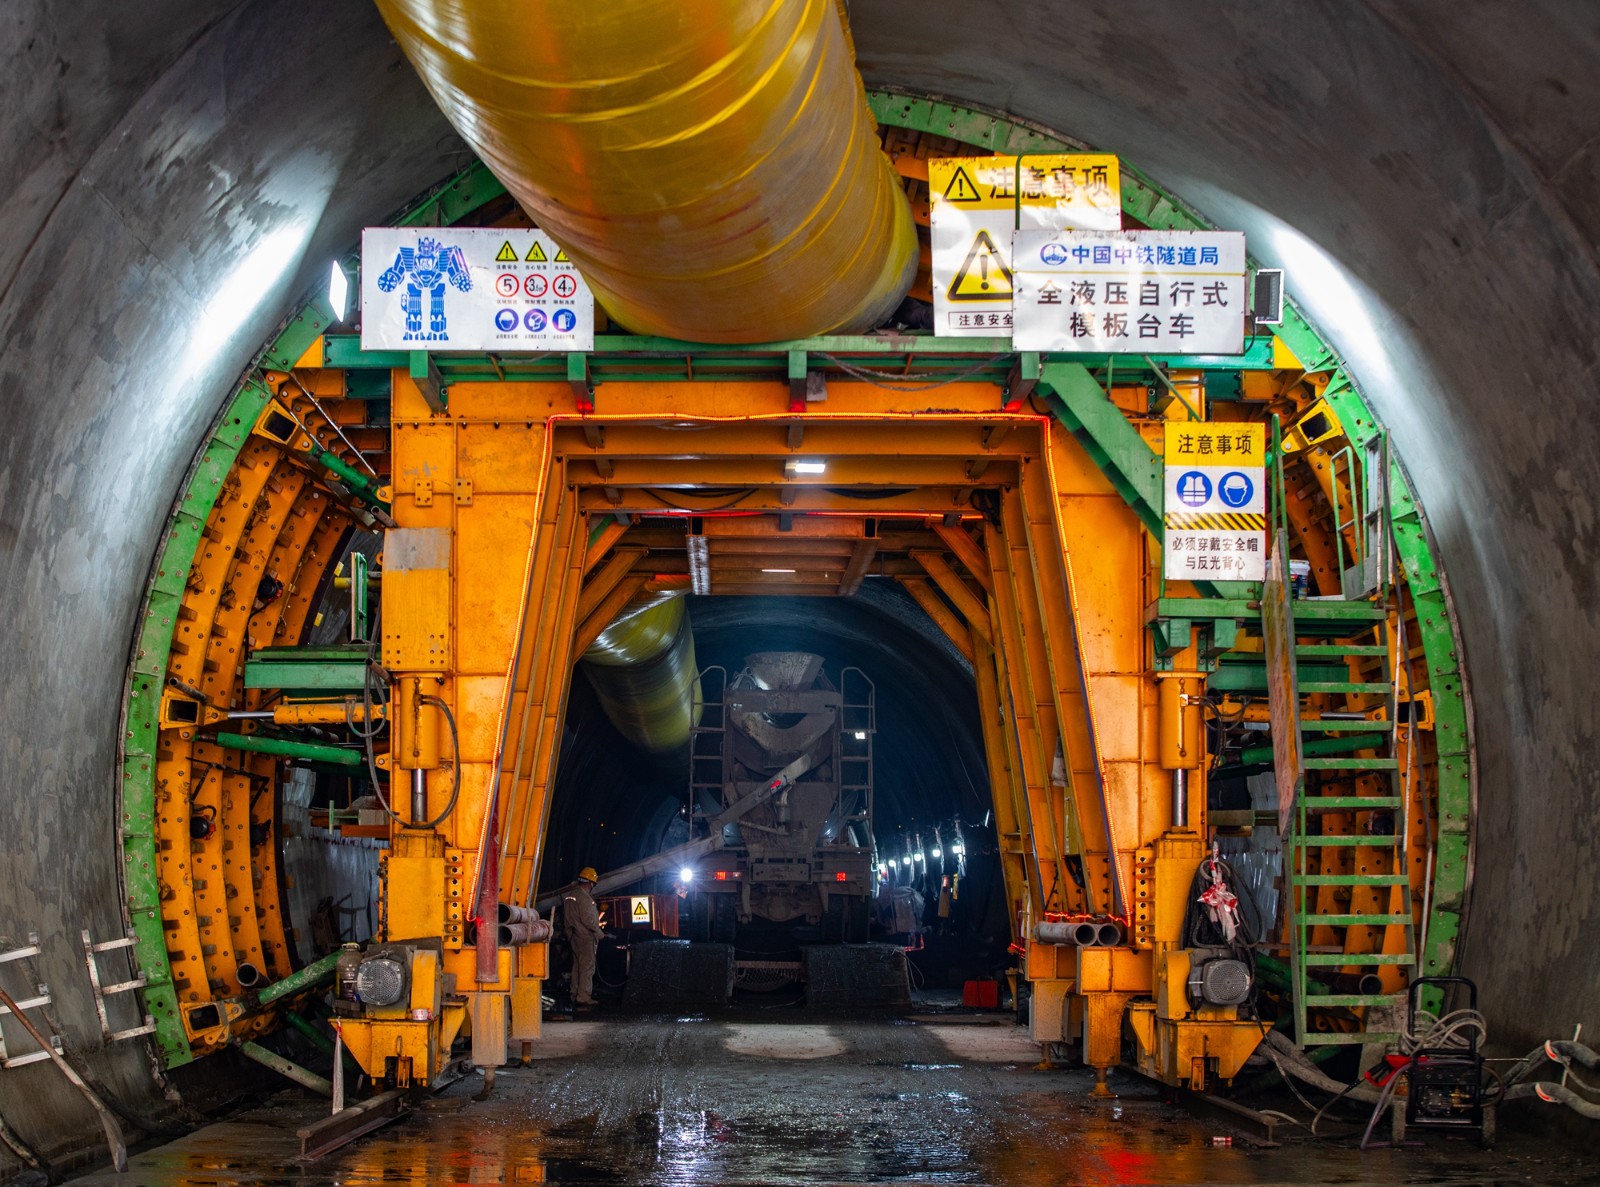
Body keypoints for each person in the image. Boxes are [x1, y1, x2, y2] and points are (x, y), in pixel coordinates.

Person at [563, 867, 603, 1008]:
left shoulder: (570, 896)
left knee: (577, 966)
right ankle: (584, 997)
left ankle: (575, 994)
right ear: (590, 883)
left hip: (573, 936)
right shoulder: (584, 898)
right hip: (585, 937)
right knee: (587, 967)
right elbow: (588, 920)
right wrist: (598, 932)